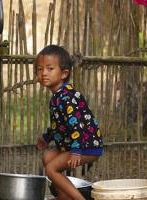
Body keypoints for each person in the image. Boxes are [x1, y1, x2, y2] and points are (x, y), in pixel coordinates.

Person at [36, 44, 104, 200]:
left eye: (49, 69)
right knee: (47, 158)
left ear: (64, 73)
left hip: (86, 145)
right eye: (40, 69)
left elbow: (76, 125)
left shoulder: (66, 97)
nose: (44, 73)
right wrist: (46, 137)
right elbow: (60, 125)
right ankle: (64, 197)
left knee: (51, 169)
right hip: (75, 144)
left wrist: (76, 152)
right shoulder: (58, 96)